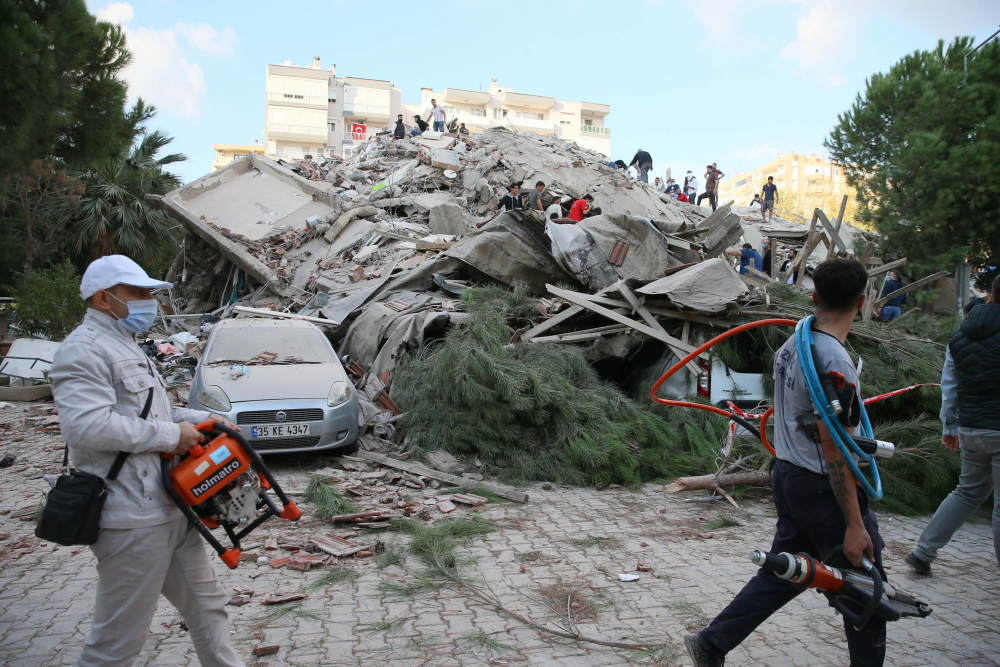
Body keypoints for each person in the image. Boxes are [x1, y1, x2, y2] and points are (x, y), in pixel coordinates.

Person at [685, 258, 887, 667]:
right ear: (863, 303)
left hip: (789, 476)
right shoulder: (836, 364)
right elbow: (834, 448)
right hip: (819, 486)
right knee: (868, 590)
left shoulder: (793, 345)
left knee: (785, 573)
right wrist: (853, 524)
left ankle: (711, 644)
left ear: (814, 297)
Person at [48, 256, 243, 667]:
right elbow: (86, 427)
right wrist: (173, 437)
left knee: (209, 611)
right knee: (117, 644)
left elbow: (150, 414)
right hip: (131, 518)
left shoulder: (125, 344)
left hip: (169, 506)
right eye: (138, 293)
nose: (149, 301)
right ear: (104, 298)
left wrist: (202, 422)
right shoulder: (81, 351)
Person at [906, 274, 1000, 574]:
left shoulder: (961, 333)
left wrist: (950, 426)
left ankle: (922, 552)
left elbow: (950, 383)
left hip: (972, 429)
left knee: (967, 492)